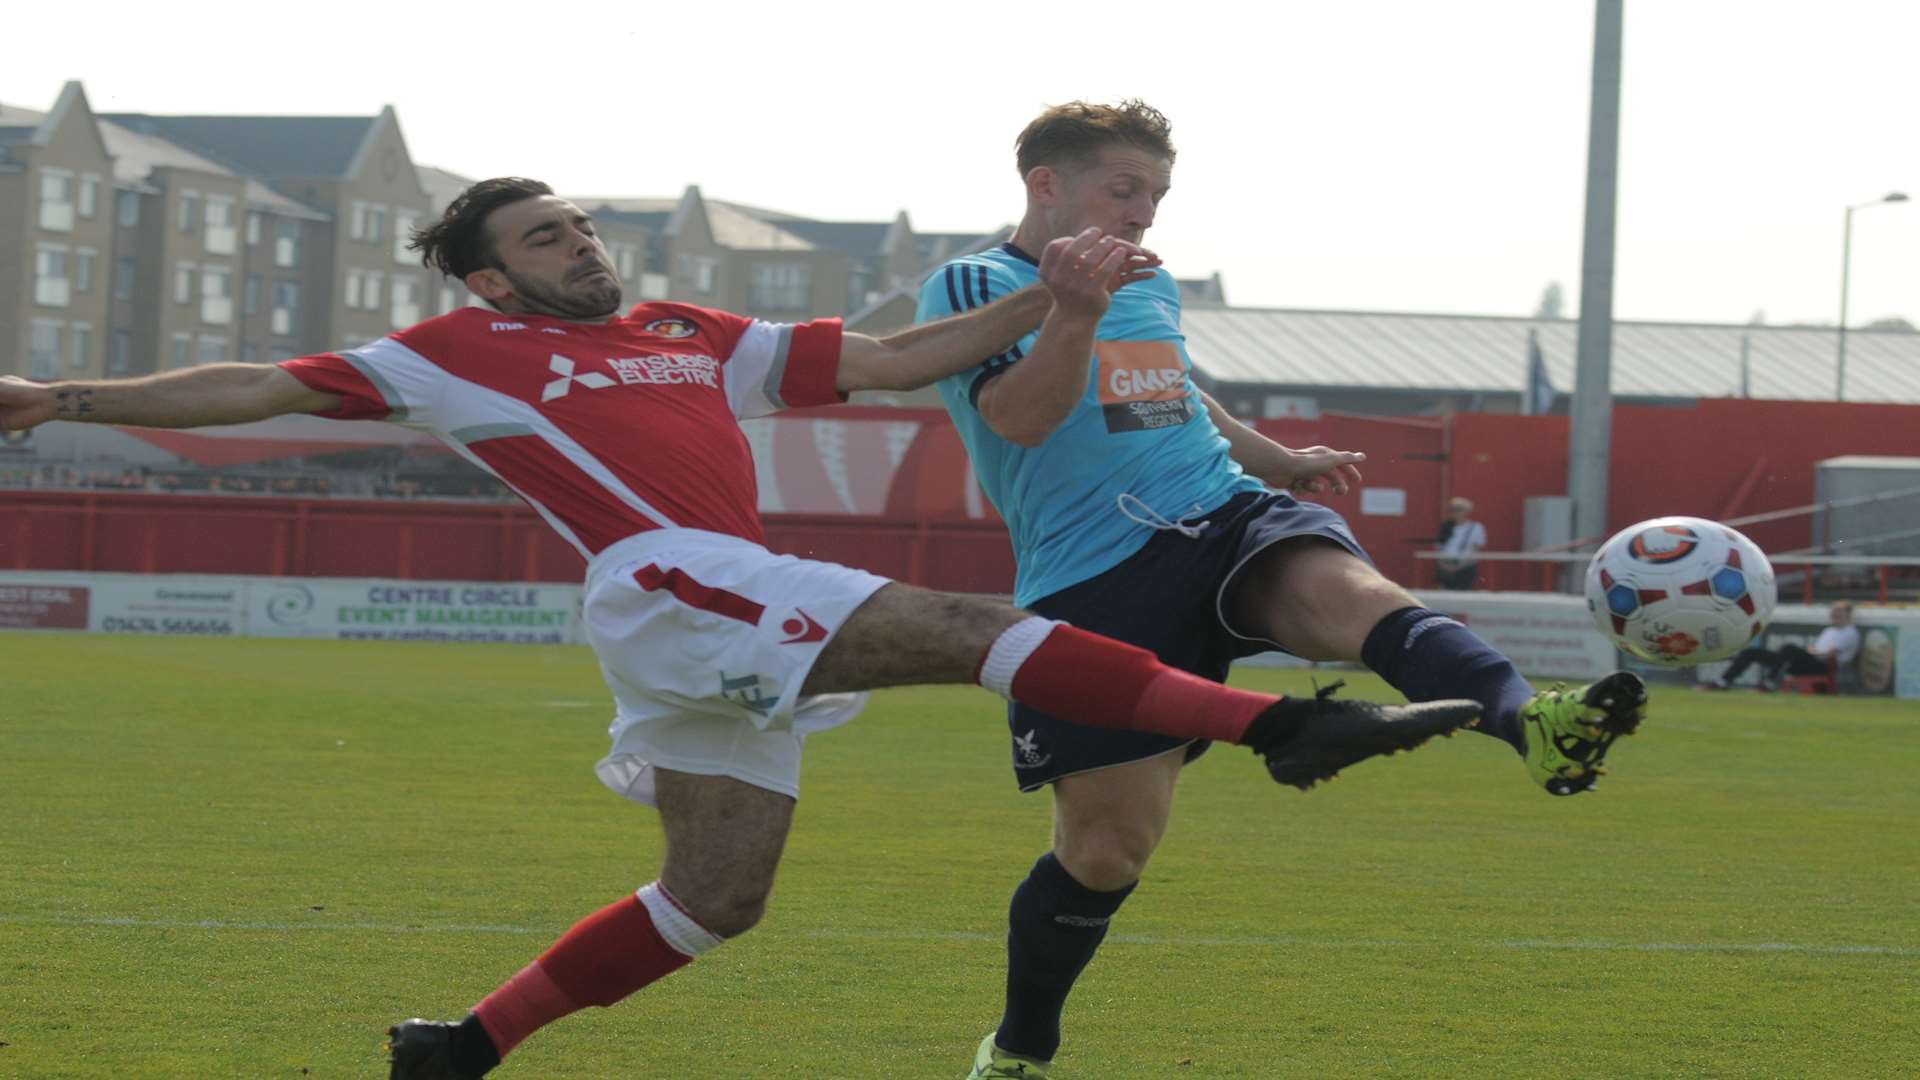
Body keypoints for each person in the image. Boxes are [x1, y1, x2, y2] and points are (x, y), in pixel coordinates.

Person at [0, 177, 1484, 1080]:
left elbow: (901, 355)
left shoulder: (687, 334)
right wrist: (64, 401)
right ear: (485, 274)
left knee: (715, 901)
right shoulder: (447, 353)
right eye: (544, 234)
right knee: (976, 623)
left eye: (580, 223)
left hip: (717, 609)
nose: (579, 244)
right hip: (664, 581)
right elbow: (255, 383)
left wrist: (1054, 293)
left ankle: (463, 1046)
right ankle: (1287, 728)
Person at [914, 101, 1652, 1079]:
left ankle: (1531, 717)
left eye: (1157, 195)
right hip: (1092, 575)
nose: (1143, 214)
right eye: (1122, 189)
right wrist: (1075, 313)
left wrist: (1274, 459)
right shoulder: (974, 283)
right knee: (1106, 852)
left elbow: (1168, 385)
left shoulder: (1150, 280)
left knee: (1349, 594)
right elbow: (1019, 419)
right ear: (1046, 185)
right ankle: (1018, 1051)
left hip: (1223, 515)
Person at [1709, 601, 1861, 691]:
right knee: (1751, 652)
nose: (1833, 616)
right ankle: (1723, 681)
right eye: (1833, 613)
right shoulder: (1829, 630)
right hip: (1808, 661)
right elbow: (1817, 650)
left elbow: (1830, 655)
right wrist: (1813, 652)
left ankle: (1769, 682)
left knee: (1789, 649)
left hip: (1824, 667)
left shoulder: (1850, 632)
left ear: (1848, 615)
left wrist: (1814, 652)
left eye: (1838, 614)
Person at [1434, 496, 1488, 590]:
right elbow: (1438, 547)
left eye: (1458, 509)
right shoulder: (1446, 527)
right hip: (1445, 567)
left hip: (1465, 568)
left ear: (1467, 512)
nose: (1454, 512)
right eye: (1452, 509)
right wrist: (1443, 565)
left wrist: (1460, 566)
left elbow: (1476, 549)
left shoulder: (1475, 527)